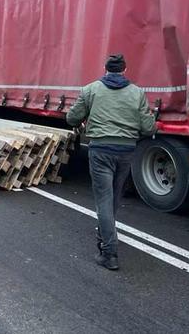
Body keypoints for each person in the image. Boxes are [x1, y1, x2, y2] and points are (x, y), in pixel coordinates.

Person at [66, 54, 155, 270]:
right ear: (125, 70)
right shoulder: (137, 93)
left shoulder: (90, 90)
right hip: (126, 151)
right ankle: (106, 232)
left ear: (105, 69)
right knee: (114, 197)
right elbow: (148, 128)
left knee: (104, 199)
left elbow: (72, 118)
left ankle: (109, 252)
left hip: (101, 150)